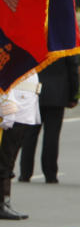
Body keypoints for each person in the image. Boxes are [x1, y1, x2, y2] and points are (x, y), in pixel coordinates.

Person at [0, 72, 39, 219]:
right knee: (0, 157)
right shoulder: (14, 49)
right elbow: (3, 75)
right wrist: (7, 103)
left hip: (24, 109)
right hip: (10, 109)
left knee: (9, 159)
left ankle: (5, 202)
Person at [18, 54, 78, 183]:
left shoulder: (35, 38)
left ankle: (25, 172)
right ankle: (50, 173)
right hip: (57, 93)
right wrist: (74, 96)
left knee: (29, 135)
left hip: (34, 92)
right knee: (52, 136)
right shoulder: (64, 43)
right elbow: (73, 69)